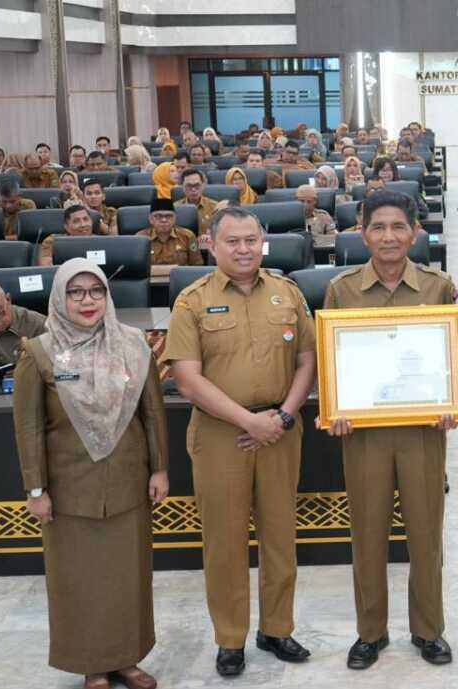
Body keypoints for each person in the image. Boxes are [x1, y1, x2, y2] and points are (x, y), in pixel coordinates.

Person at [164, 207, 316, 677]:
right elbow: (186, 380)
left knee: (280, 535)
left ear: (263, 241)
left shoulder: (288, 294)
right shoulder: (191, 301)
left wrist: (285, 415)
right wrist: (249, 422)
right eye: (233, 241)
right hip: (221, 433)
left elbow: (308, 360)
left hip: (280, 429)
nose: (244, 248)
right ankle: (230, 638)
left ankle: (277, 628)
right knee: (225, 542)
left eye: (252, 240)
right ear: (212, 244)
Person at [12, 258, 167, 689]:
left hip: (128, 482)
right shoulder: (39, 351)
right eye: (75, 292)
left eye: (95, 291)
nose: (87, 301)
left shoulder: (135, 344)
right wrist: (36, 488)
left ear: (108, 295)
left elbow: (152, 413)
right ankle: (92, 665)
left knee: (128, 577)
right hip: (68, 489)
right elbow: (28, 427)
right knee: (79, 581)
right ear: (60, 298)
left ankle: (127, 660)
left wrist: (160, 468)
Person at [320, 191, 458, 669]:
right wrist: (335, 404)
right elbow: (332, 358)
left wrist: (450, 402)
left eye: (398, 227)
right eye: (378, 227)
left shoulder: (440, 287)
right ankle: (370, 632)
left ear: (415, 232)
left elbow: (451, 359)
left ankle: (428, 630)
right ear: (363, 233)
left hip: (423, 428)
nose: (389, 237)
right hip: (364, 431)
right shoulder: (342, 289)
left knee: (426, 534)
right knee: (368, 533)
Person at [136, 197, 202, 272]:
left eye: (168, 216)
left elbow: (196, 265)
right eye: (158, 216)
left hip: (180, 280)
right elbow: (137, 268)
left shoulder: (188, 236)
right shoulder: (140, 238)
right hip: (149, 281)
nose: (164, 220)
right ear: (151, 219)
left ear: (175, 218)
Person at [177, 168, 219, 243]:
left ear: (203, 185)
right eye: (189, 186)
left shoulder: (215, 206)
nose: (193, 189)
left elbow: (221, 231)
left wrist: (211, 236)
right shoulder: (175, 208)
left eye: (197, 185)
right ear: (182, 187)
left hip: (207, 247)